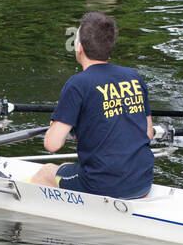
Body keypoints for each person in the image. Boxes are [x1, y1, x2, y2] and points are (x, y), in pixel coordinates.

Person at [29, 12, 155, 201]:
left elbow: (52, 145)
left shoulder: (77, 84)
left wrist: (58, 124)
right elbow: (148, 134)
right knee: (69, 167)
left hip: (102, 185)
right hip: (143, 181)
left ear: (79, 47)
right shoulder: (134, 76)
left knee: (46, 172)